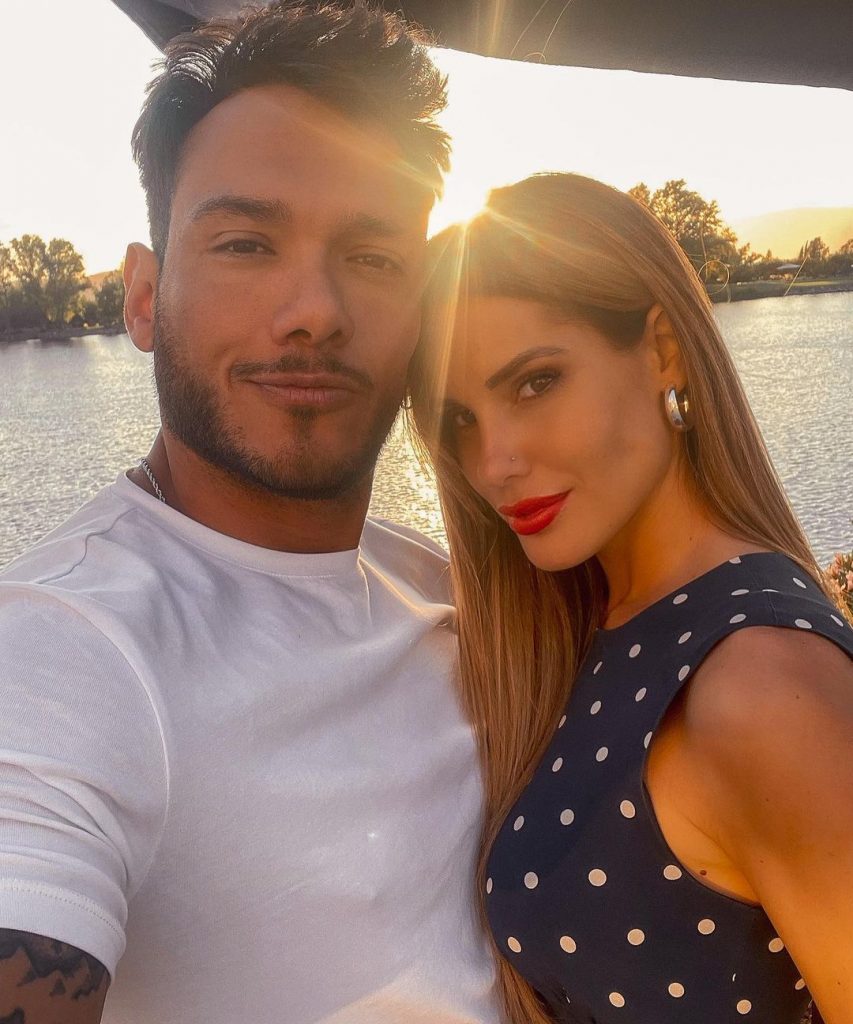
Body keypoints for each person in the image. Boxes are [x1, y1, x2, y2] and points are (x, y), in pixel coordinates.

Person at [0, 4, 502, 1022]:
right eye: (245, 243)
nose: (314, 310)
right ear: (145, 298)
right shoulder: (66, 646)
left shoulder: (444, 588)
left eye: (373, 256)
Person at [409, 172, 853, 1024]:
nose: (493, 463)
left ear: (662, 350)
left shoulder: (762, 685)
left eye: (534, 383)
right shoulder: (594, 623)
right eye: (459, 419)